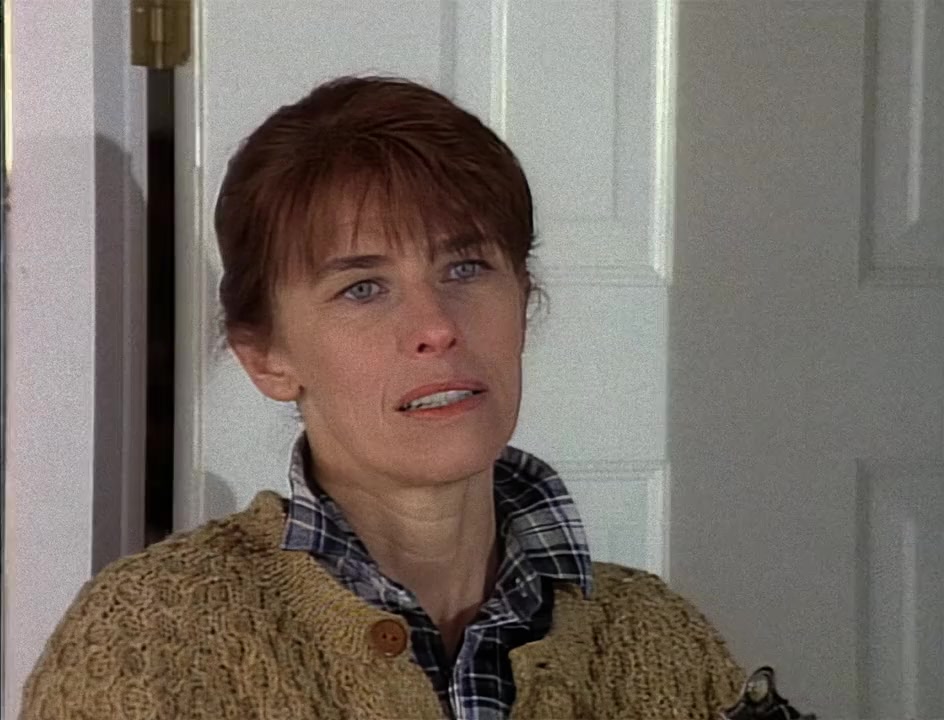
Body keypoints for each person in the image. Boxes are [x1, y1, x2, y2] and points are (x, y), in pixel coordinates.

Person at [21, 75, 744, 720]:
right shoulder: (151, 641)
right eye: (362, 288)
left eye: (466, 267)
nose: (436, 326)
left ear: (523, 303)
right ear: (266, 357)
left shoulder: (663, 642)